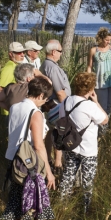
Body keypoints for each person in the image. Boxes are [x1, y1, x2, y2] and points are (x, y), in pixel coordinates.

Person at [1, 77, 56, 220]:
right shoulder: (36, 114)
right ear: (39, 96)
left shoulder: (15, 106)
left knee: (18, 198)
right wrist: (49, 171)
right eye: (45, 99)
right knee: (33, 202)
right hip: (29, 163)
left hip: (13, 158)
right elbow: (39, 146)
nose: (44, 103)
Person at [58, 72, 108, 214]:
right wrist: (96, 101)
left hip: (70, 146)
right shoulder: (90, 106)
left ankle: (63, 205)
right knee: (87, 181)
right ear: (91, 89)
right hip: (88, 150)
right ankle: (85, 209)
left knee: (68, 175)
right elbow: (105, 119)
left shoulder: (66, 102)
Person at [39, 39, 71, 168]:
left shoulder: (46, 64)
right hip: (57, 106)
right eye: (60, 51)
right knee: (60, 133)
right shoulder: (51, 67)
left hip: (51, 106)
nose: (61, 54)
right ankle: (57, 165)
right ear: (53, 52)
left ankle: (48, 159)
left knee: (51, 133)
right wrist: (69, 107)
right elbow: (60, 92)